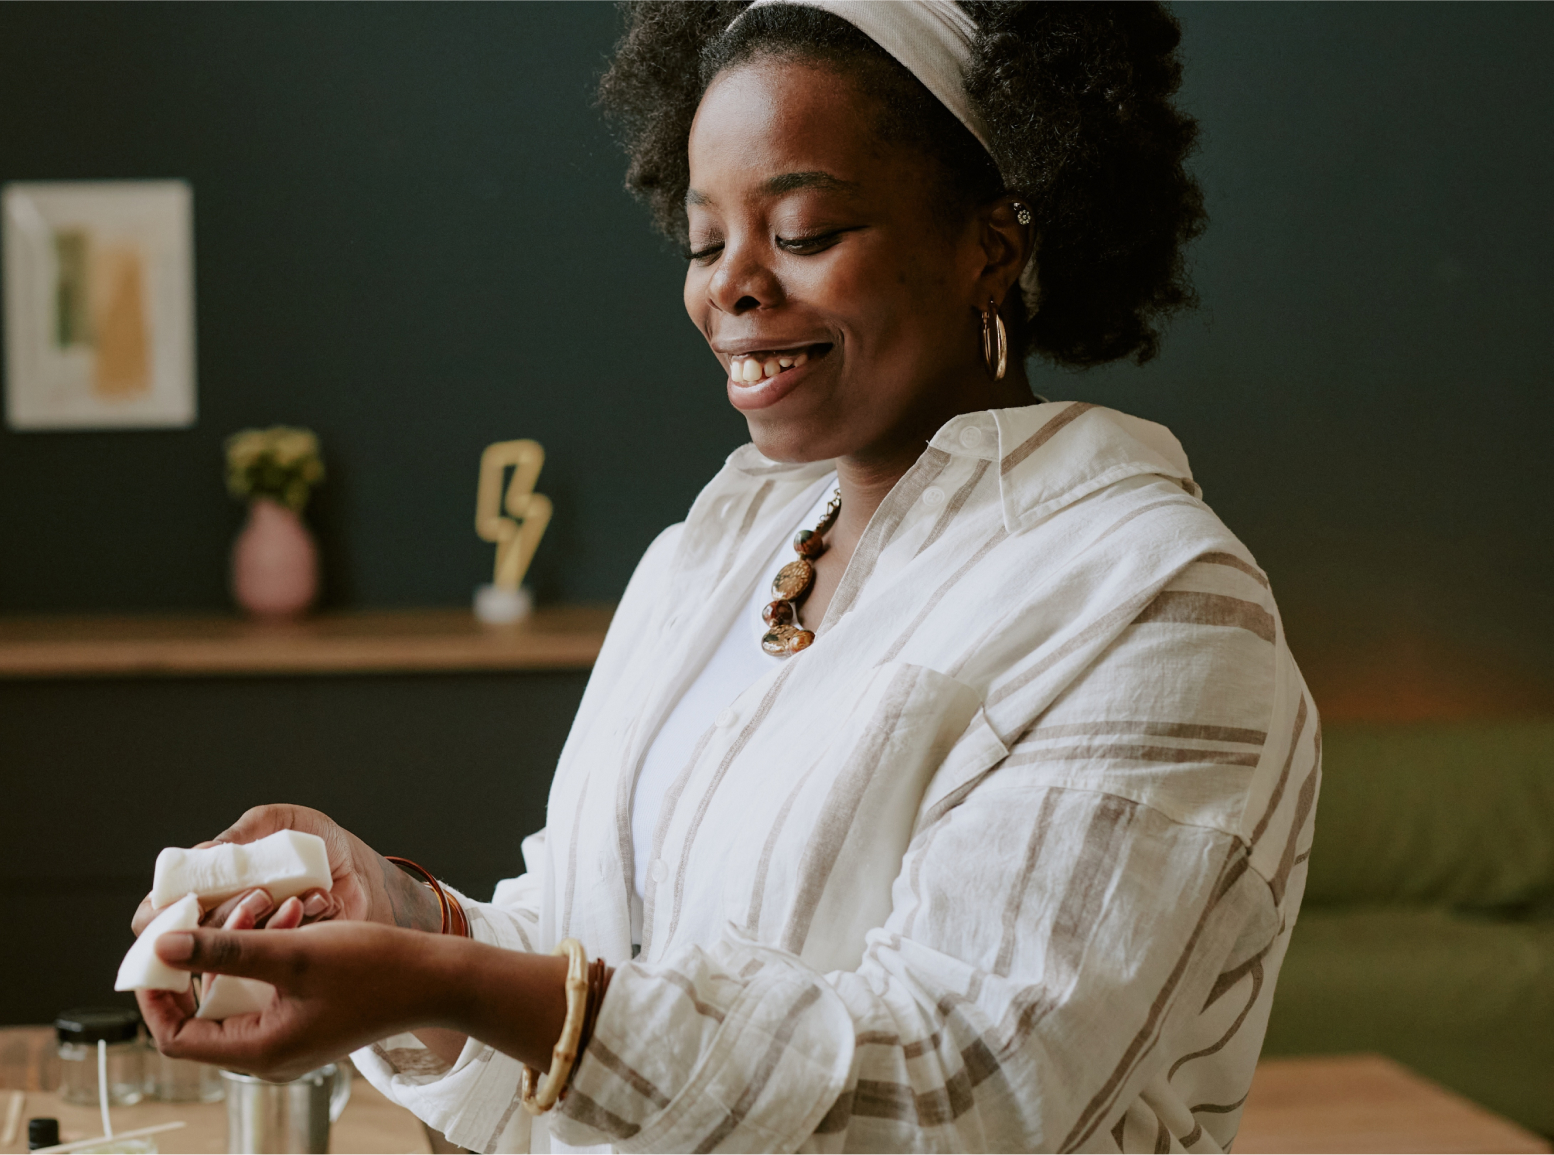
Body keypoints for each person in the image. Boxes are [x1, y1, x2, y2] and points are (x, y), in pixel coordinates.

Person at [133, 2, 1317, 1150]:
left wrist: (445, 982)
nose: (730, 287)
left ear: (990, 246)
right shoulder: (713, 555)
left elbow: (966, 1098)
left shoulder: (1156, 604)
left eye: (801, 232)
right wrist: (400, 918)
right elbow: (594, 960)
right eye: (706, 241)